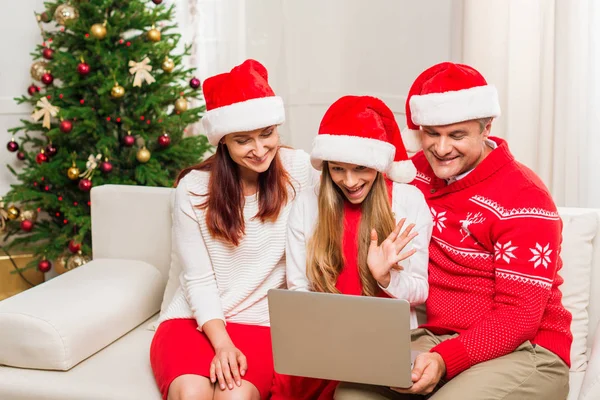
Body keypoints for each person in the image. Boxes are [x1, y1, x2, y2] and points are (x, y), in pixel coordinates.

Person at [335, 62, 573, 400]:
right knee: (351, 393)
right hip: (437, 338)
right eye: (432, 134)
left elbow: (519, 316)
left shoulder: (524, 197)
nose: (442, 148)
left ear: (486, 127)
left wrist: (446, 360)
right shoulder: (412, 175)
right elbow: (348, 175)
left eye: (457, 135)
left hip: (527, 351)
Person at [149, 59, 318, 400]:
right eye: (243, 141)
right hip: (193, 321)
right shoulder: (194, 189)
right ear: (223, 141)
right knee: (191, 393)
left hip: (263, 324)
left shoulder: (300, 169)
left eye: (267, 134)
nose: (259, 150)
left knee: (235, 396)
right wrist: (222, 343)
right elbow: (197, 278)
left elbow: (358, 180)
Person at [271, 95, 433, 400]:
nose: (349, 181)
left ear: (377, 163)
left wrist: (385, 277)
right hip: (320, 348)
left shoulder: (408, 201)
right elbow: (298, 289)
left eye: (361, 167)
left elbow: (419, 291)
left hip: (380, 351)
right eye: (337, 169)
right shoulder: (307, 203)